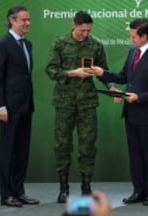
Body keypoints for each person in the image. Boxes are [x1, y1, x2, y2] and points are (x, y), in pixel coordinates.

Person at [90, 18, 148, 206]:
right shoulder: (132, 52)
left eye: (133, 36)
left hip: (147, 114)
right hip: (131, 113)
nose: (130, 39)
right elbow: (123, 77)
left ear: (144, 36)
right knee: (135, 155)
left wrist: (138, 97)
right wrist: (102, 73)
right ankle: (138, 191)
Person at [45, 11, 114, 203]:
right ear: (73, 25)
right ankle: (64, 186)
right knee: (62, 145)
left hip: (87, 103)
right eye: (82, 30)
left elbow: (103, 71)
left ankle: (86, 184)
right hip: (64, 102)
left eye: (89, 30)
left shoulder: (95, 45)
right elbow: (51, 70)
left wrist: (112, 86)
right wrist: (72, 73)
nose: (86, 34)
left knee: (88, 145)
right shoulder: (60, 43)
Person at [0, 5, 39, 207]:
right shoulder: (2, 44)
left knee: (22, 151)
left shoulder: (27, 44)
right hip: (9, 108)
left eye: (28, 20)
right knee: (8, 151)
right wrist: (0, 106)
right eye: (23, 20)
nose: (27, 23)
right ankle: (6, 194)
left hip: (26, 106)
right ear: (12, 20)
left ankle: (19, 191)